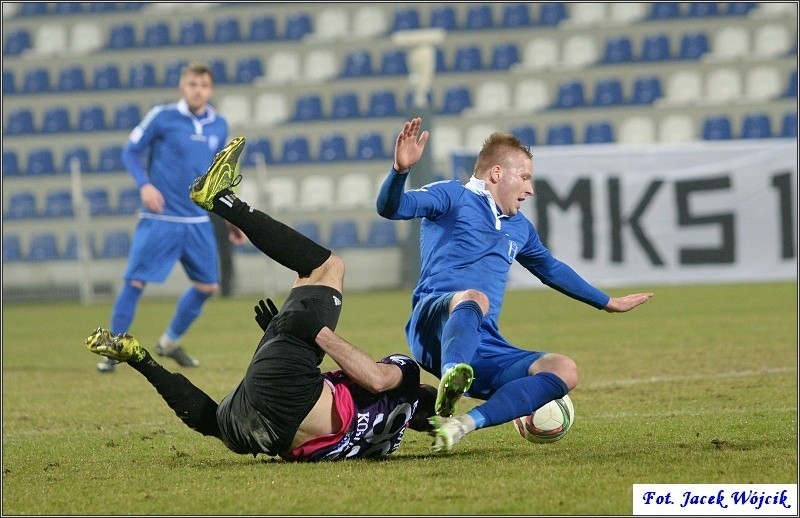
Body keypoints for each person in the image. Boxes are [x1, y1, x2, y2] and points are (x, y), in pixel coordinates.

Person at [86, 137, 438, 461]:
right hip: (262, 433)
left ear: (422, 389)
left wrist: (318, 331)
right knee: (214, 423)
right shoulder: (386, 446)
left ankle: (221, 200)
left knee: (326, 267)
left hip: (292, 395)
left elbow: (376, 380)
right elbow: (206, 417)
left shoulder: (406, 380)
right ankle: (138, 356)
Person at [376, 117, 654, 453]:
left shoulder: (519, 228)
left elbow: (550, 268)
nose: (530, 188)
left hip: (481, 341)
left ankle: (462, 424)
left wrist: (606, 301)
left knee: (564, 370)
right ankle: (452, 375)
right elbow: (392, 208)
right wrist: (399, 171)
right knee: (474, 297)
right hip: (434, 323)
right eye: (524, 177)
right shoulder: (451, 196)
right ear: (496, 174)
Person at [97, 62, 244, 373]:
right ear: (182, 87)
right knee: (135, 280)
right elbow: (130, 152)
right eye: (192, 84)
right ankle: (113, 349)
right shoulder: (162, 117)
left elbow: (220, 176)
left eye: (203, 85)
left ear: (211, 90)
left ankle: (169, 343)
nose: (197, 90)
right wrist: (145, 185)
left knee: (207, 287)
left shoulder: (219, 125)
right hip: (161, 218)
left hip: (198, 221)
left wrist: (233, 217)